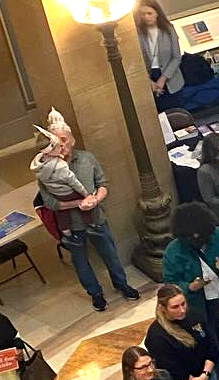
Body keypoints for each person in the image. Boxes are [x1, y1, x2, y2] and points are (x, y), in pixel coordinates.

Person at [34, 113, 140, 311]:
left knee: (110, 255)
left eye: (64, 140)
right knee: (81, 263)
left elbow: (103, 183)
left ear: (72, 140)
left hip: (96, 217)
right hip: (71, 225)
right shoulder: (45, 171)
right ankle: (96, 294)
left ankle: (121, 284)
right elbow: (49, 202)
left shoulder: (87, 158)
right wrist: (79, 203)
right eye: (57, 142)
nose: (62, 146)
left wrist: (96, 199)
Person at [146, 283, 219, 380]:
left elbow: (211, 347)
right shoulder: (156, 336)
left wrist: (204, 376)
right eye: (175, 307)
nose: (182, 310)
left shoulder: (195, 315)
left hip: (207, 373)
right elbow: (173, 369)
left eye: (183, 304)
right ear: (163, 308)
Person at [136, 0, 184, 107]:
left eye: (149, 13)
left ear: (157, 13)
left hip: (169, 75)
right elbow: (137, 62)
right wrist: (148, 81)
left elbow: (176, 57)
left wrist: (163, 79)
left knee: (178, 113)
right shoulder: (138, 33)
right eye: (143, 14)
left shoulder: (168, 29)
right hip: (149, 74)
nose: (146, 17)